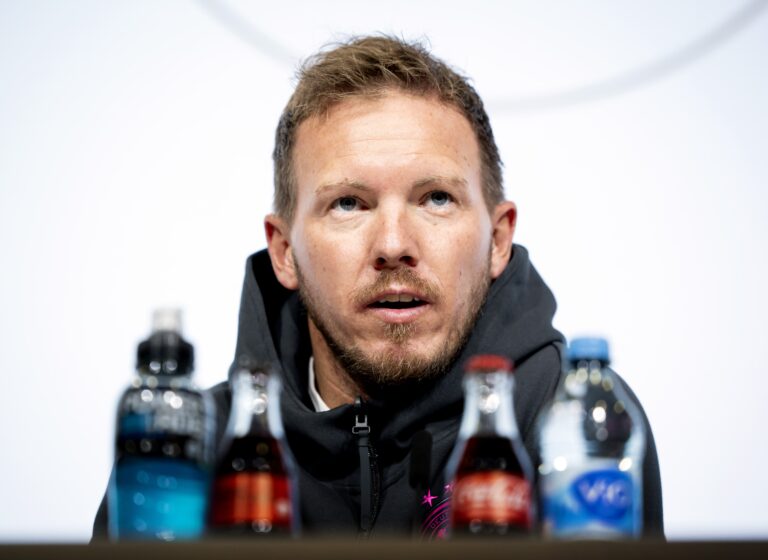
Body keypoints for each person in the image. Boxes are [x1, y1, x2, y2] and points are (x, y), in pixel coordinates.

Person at [93, 35, 663, 539]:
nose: (394, 244)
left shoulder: (572, 419)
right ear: (284, 252)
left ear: (497, 239)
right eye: (349, 203)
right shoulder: (189, 449)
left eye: (436, 198)